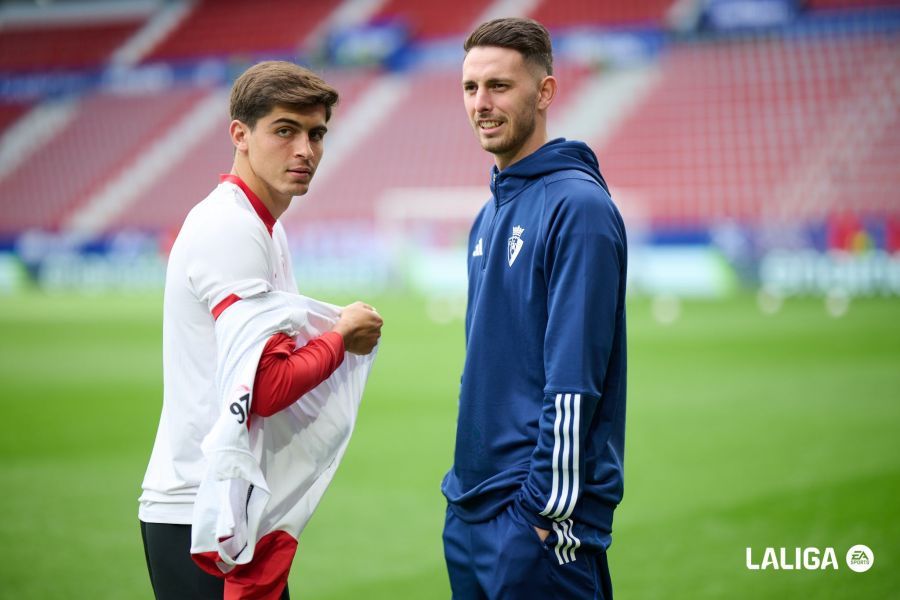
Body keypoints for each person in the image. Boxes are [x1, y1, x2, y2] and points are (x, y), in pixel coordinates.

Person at [139, 61, 383, 600]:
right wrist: (341, 337)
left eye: (316, 134)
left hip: (226, 506)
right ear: (240, 134)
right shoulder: (231, 228)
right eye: (285, 130)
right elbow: (267, 386)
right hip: (199, 513)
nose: (305, 150)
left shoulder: (263, 226)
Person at [441, 18, 627, 599]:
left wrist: (541, 515)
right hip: (469, 510)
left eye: (499, 86)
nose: (481, 103)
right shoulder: (488, 213)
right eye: (471, 87)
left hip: (533, 524)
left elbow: (574, 381)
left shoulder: (578, 207)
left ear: (545, 92)